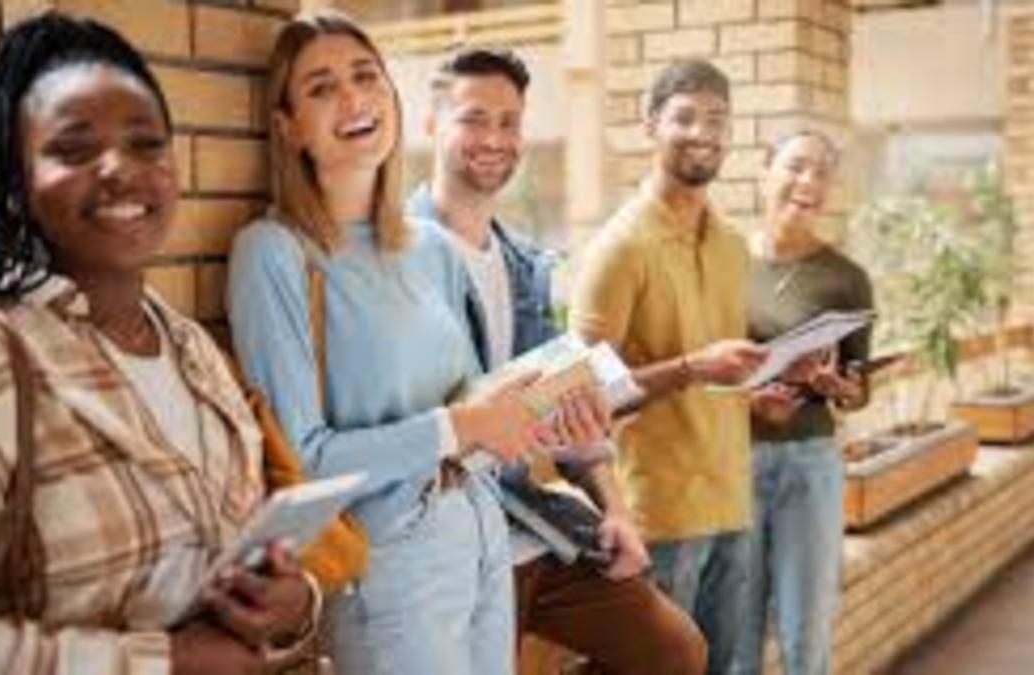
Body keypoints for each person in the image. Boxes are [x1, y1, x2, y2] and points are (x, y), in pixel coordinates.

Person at [0, 14, 316, 674]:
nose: (120, 167)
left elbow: (239, 558)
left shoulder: (193, 351)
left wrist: (292, 602)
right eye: (74, 147)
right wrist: (162, 662)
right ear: (14, 187)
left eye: (147, 143)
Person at [225, 13, 552, 675]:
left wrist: (542, 407)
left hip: (482, 526)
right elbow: (305, 459)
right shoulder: (275, 253)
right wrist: (460, 423)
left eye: (366, 76)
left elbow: (475, 403)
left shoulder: (430, 247)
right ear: (288, 126)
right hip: (391, 556)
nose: (354, 98)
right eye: (321, 87)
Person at [408, 46, 706, 674]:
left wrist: (616, 511)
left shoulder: (524, 264)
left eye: (509, 122)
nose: (494, 138)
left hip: (530, 524)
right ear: (431, 124)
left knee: (676, 652)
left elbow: (567, 401)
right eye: (473, 119)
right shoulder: (394, 258)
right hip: (447, 539)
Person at [569, 59, 768, 675]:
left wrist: (777, 384)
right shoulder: (618, 248)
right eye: (685, 116)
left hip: (734, 499)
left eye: (717, 119)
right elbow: (583, 395)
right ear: (651, 124)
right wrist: (690, 367)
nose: (702, 131)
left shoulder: (735, 245)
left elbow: (727, 371)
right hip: (657, 516)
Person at [734, 131, 873, 675]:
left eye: (822, 173)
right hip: (732, 463)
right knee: (735, 637)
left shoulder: (846, 279)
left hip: (810, 464)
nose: (809, 182)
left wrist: (840, 386)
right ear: (764, 170)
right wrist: (749, 398)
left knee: (805, 634)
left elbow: (860, 385)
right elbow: (698, 366)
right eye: (795, 166)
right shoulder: (724, 262)